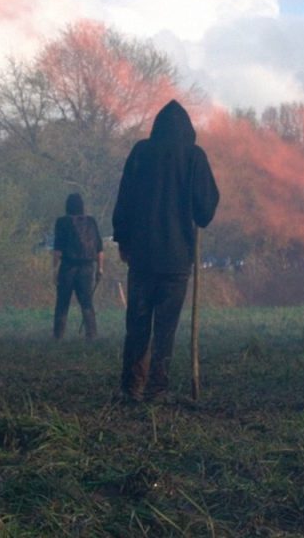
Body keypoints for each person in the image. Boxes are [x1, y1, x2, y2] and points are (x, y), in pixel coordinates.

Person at [112, 100, 220, 403]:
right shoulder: (193, 157)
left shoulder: (140, 153)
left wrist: (123, 239)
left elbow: (125, 199)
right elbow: (205, 211)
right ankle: (158, 389)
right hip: (176, 259)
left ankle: (131, 386)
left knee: (137, 323)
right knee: (166, 327)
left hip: (142, 256)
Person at [52, 193, 104, 341]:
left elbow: (57, 250)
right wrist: (100, 269)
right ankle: (91, 335)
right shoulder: (91, 222)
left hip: (68, 267)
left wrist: (54, 270)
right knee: (87, 302)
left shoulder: (62, 222)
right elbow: (100, 248)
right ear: (82, 206)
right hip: (87, 268)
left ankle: (58, 336)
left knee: (62, 302)